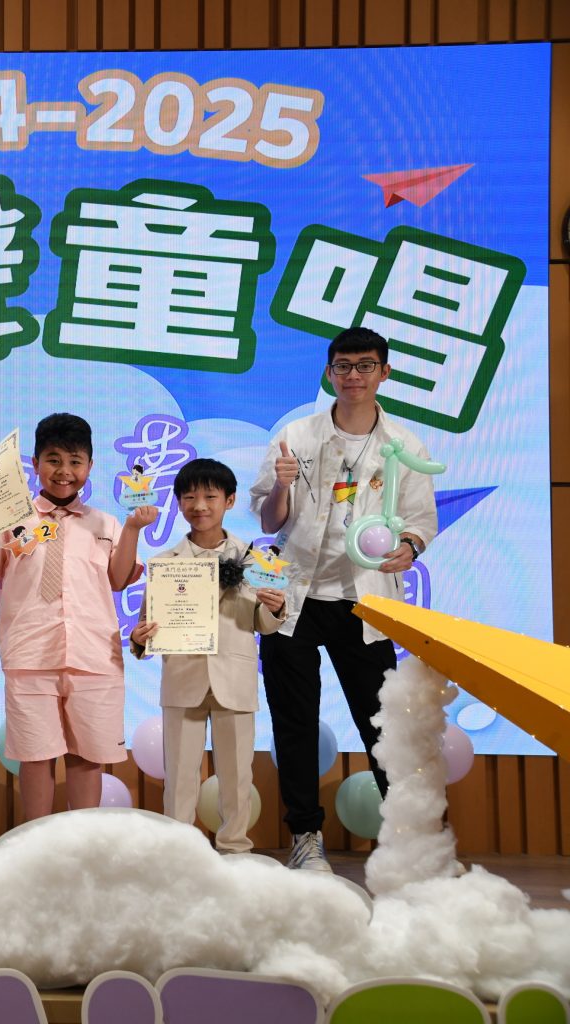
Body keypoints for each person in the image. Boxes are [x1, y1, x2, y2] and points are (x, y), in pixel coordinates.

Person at [249, 326, 438, 871]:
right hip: (294, 598)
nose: (353, 375)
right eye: (343, 366)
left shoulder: (404, 446)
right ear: (329, 372)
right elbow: (268, 520)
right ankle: (305, 837)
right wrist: (281, 485)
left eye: (365, 365)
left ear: (384, 372)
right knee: (294, 722)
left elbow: (421, 520)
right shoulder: (296, 436)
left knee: (382, 724)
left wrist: (409, 547)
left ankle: (408, 844)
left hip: (364, 600)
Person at [0, 413, 149, 822]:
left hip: (94, 658)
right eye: (53, 460)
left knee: (87, 757)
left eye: (75, 461)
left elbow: (119, 579)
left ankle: (79, 847)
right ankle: (37, 845)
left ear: (90, 466)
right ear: (35, 464)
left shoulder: (106, 523)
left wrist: (134, 528)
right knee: (35, 757)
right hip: (30, 655)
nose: (64, 471)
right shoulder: (10, 519)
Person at [128, 458, 285, 853]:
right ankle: (178, 852)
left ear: (229, 501)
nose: (199, 505)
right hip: (183, 680)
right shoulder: (164, 564)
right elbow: (147, 626)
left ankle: (235, 848)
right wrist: (139, 638)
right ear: (179, 503)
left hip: (235, 680)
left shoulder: (255, 560)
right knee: (180, 777)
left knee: (237, 776)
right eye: (189, 497)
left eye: (210, 496)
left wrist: (277, 607)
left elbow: (264, 624)